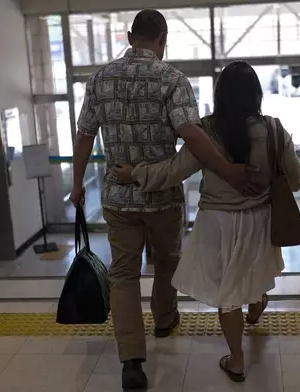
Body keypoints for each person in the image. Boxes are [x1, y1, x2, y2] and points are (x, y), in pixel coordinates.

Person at [70, 10, 259, 391]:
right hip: (161, 199)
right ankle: (164, 318)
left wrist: (77, 186)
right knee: (167, 262)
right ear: (163, 38)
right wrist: (228, 168)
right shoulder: (172, 79)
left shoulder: (99, 79)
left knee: (123, 275)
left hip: (118, 197)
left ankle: (132, 361)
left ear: (128, 37)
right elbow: (190, 133)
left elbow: (85, 135)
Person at [114, 61, 300, 382]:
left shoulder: (206, 132)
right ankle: (256, 306)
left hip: (216, 224)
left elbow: (172, 171)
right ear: (257, 94)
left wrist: (135, 173)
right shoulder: (274, 129)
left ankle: (237, 360)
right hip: (259, 221)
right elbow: (294, 180)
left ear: (220, 96)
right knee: (252, 273)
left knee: (227, 293)